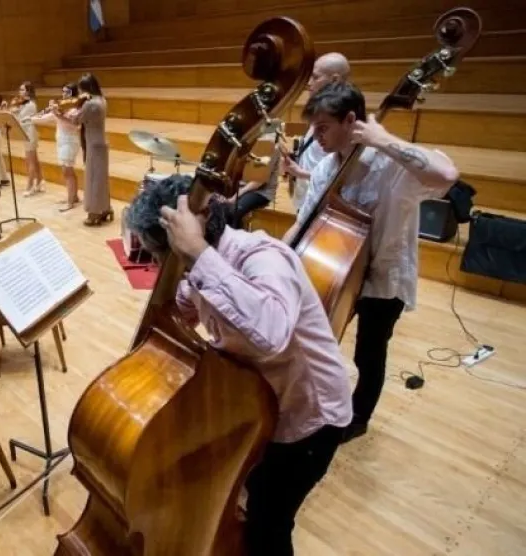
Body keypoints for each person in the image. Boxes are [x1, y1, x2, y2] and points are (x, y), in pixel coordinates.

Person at [126, 174, 352, 556]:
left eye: (160, 256)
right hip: (264, 407)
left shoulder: (262, 257)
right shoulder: (196, 271)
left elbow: (271, 331)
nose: (161, 267)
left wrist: (198, 254)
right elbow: (179, 311)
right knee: (249, 503)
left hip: (310, 417)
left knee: (269, 522)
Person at [282, 81, 459, 443]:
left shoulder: (393, 165)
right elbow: (303, 223)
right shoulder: (325, 168)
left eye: (323, 128)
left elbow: (446, 175)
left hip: (383, 279)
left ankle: (359, 417)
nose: (317, 138)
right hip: (338, 273)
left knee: (369, 353)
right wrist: (278, 258)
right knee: (317, 343)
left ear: (351, 120)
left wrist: (383, 140)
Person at [282, 53, 351, 213]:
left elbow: (340, 177)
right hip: (306, 198)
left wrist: (301, 173)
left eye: (315, 77)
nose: (308, 83)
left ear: (334, 80)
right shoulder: (320, 111)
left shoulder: (342, 121)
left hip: (322, 205)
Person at [53, 73, 110, 226]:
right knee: (100, 178)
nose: (80, 93)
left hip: (93, 144)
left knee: (93, 178)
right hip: (100, 141)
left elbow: (76, 121)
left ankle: (94, 212)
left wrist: (58, 113)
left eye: (81, 89)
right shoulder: (102, 100)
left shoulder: (90, 104)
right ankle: (105, 208)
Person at [32, 83, 81, 211]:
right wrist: (28, 119)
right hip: (61, 142)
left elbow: (73, 124)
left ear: (73, 93)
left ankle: (70, 202)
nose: (64, 94)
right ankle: (74, 196)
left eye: (67, 92)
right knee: (68, 171)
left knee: (67, 171)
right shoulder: (60, 107)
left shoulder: (75, 108)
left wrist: (57, 113)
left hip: (70, 142)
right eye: (63, 91)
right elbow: (44, 118)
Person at [3, 81, 43, 196]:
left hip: (29, 133)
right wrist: (8, 108)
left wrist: (12, 110)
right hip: (26, 132)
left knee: (30, 161)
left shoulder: (30, 105)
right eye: (20, 89)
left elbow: (19, 119)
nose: (20, 92)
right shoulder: (24, 104)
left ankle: (30, 186)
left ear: (28, 91)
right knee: (34, 159)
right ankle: (40, 181)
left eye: (22, 90)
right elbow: (16, 115)